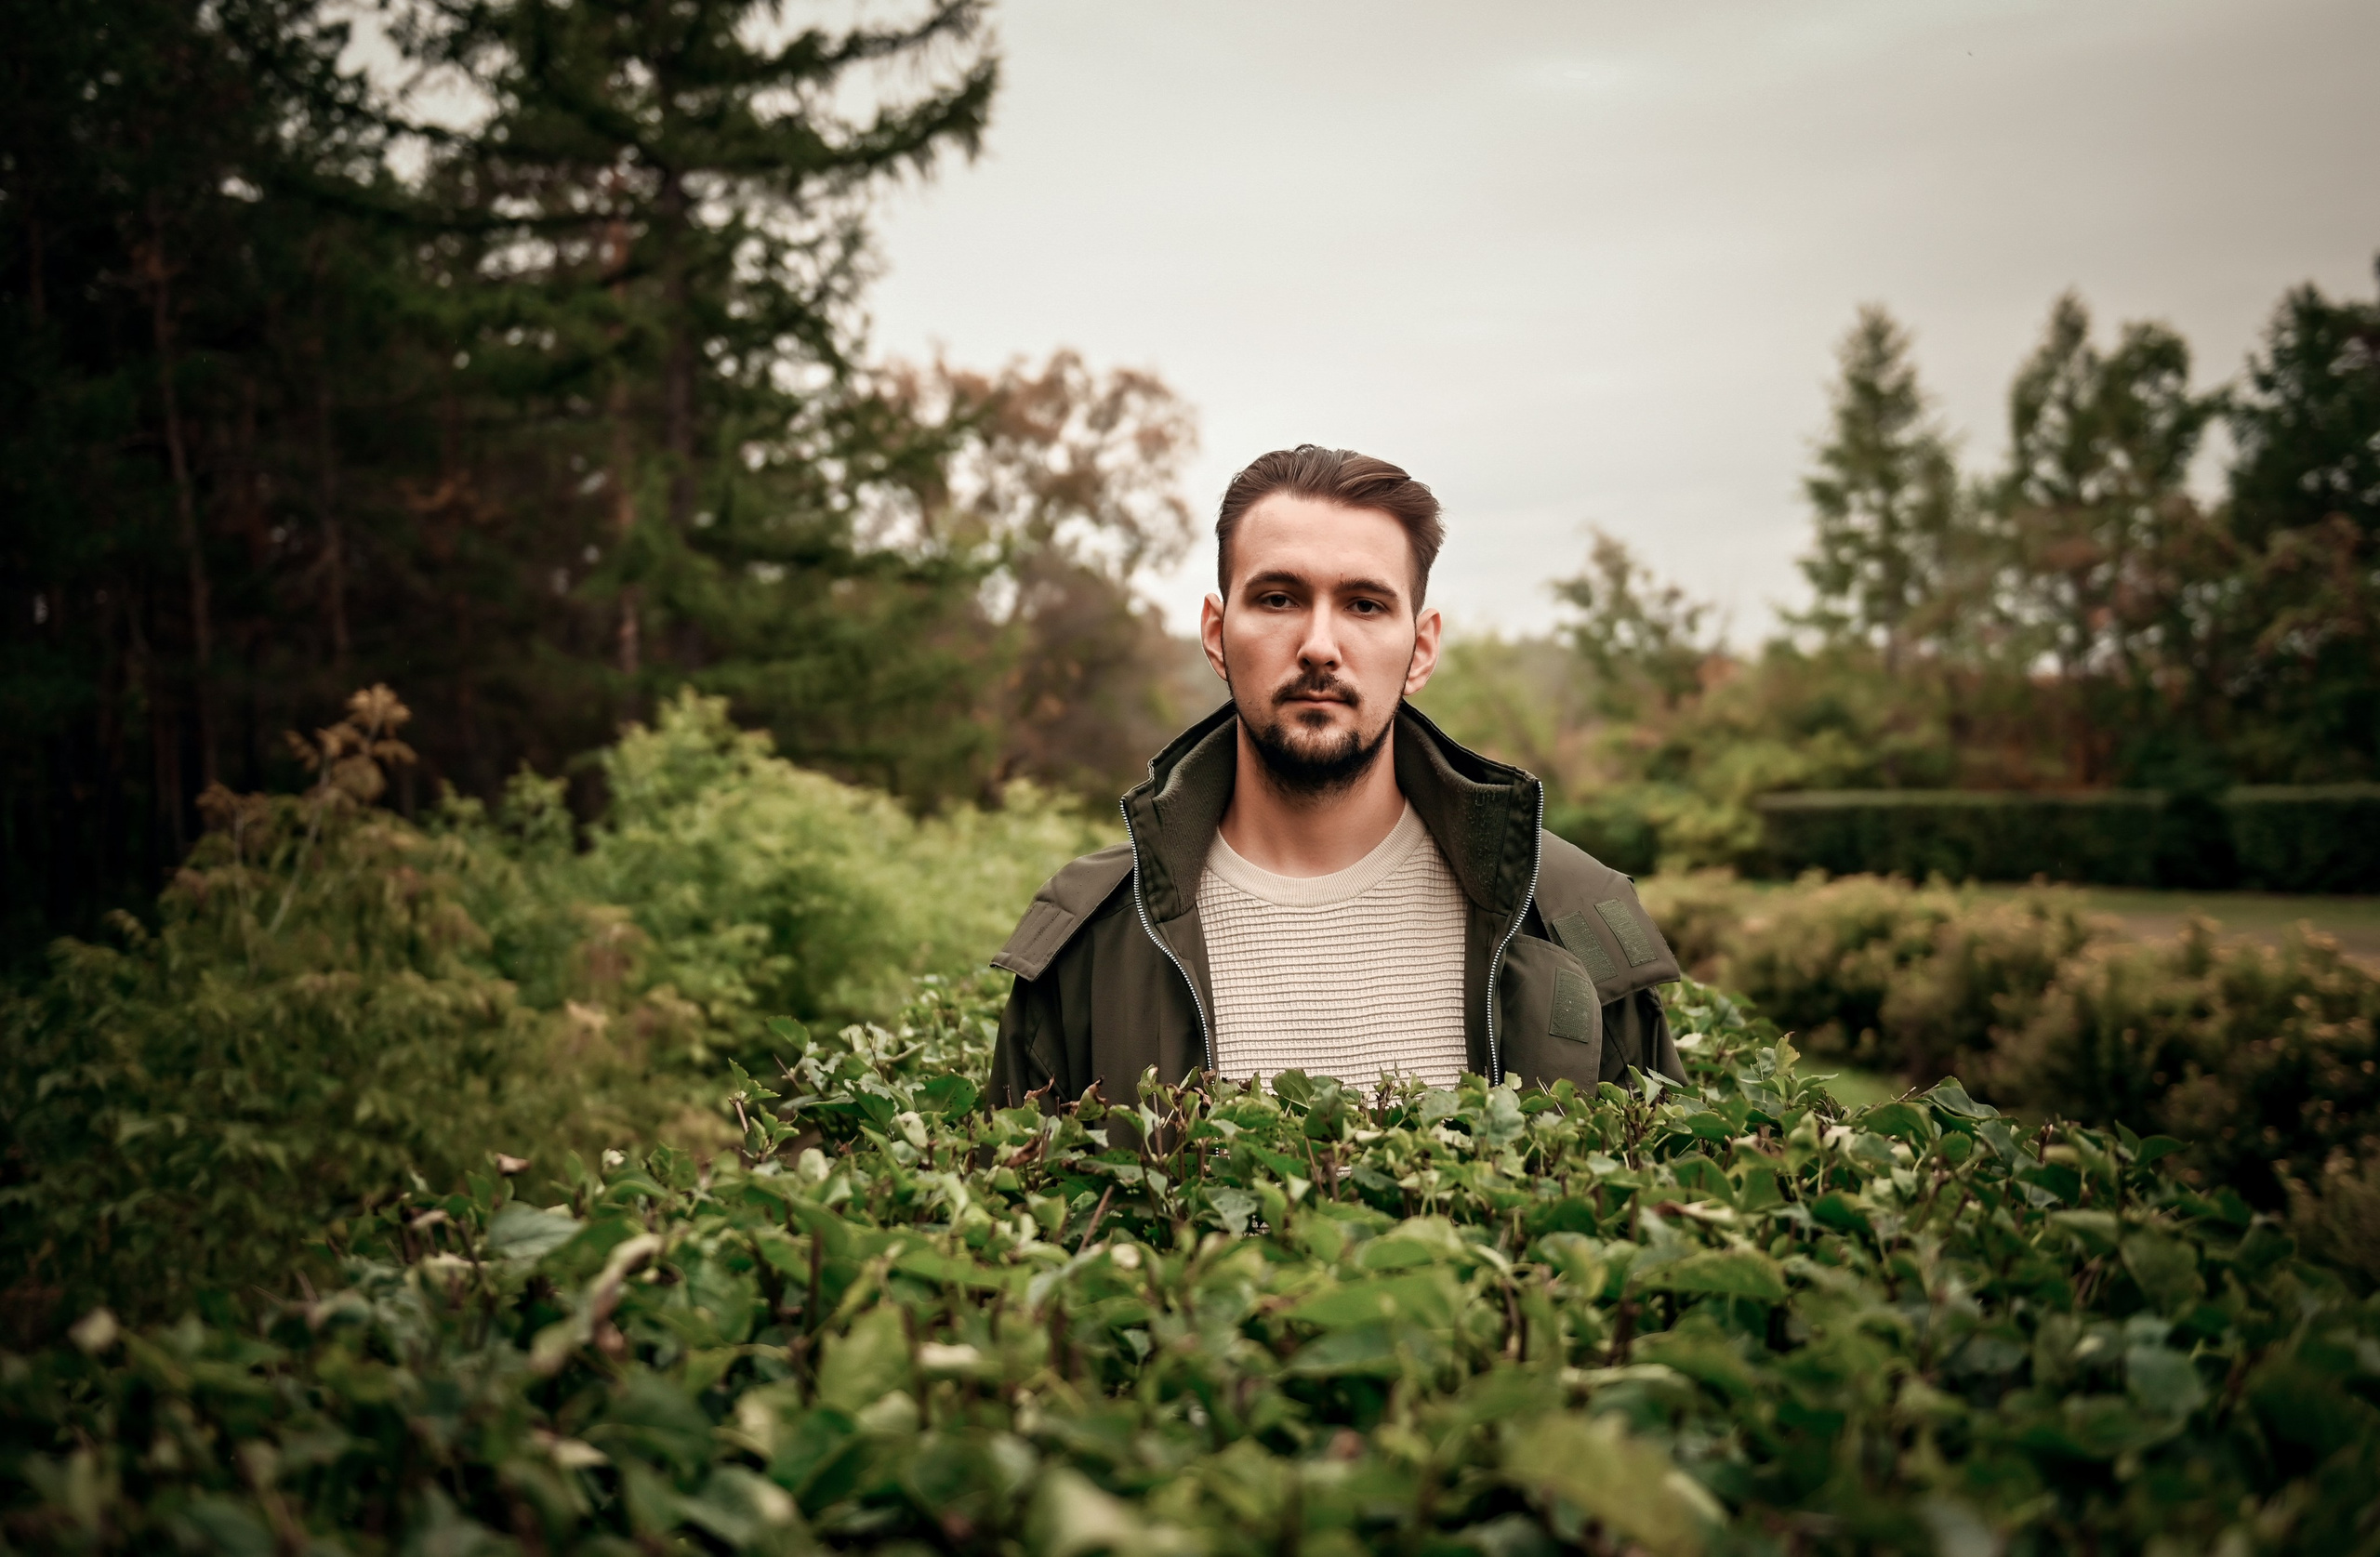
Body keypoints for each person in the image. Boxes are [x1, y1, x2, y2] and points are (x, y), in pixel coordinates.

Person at [987, 444, 1683, 1107]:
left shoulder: (1569, 916)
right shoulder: (1096, 937)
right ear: (1215, 633)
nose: (1320, 646)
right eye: (1279, 599)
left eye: (1365, 605)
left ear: (1421, 647)